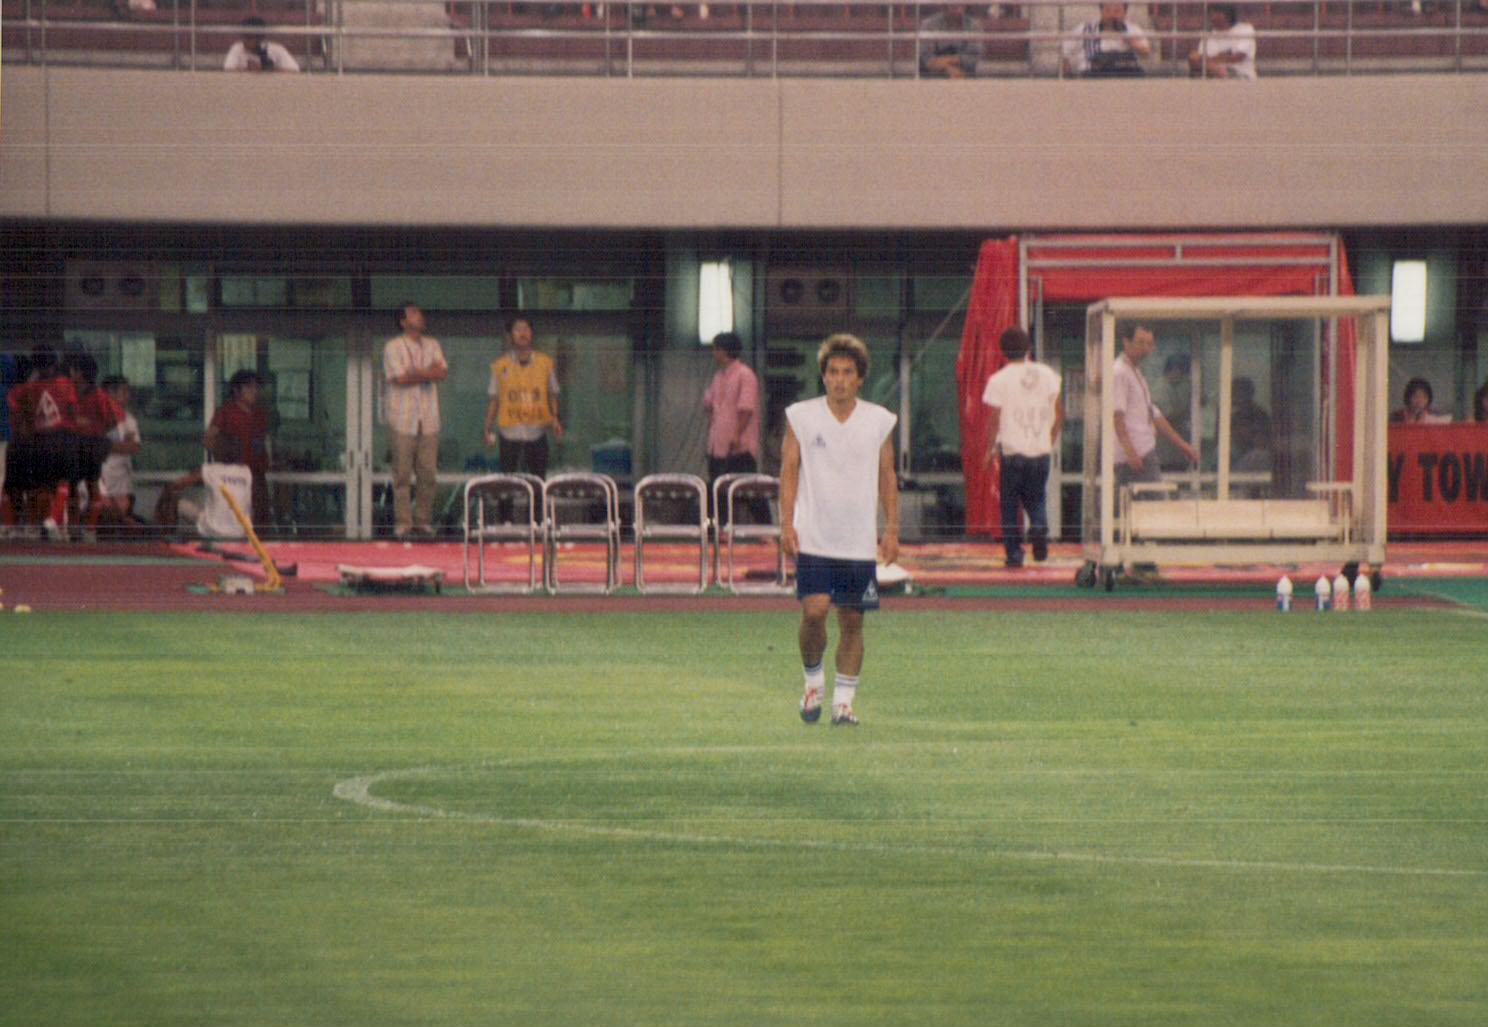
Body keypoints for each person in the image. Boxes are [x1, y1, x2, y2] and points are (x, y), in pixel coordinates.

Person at [779, 334, 898, 728]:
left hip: (857, 541)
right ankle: (813, 682)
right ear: (824, 375)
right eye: (833, 372)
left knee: (852, 621)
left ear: (860, 378)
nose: (839, 379)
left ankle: (843, 704)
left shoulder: (879, 420)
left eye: (847, 373)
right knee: (814, 612)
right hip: (814, 536)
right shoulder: (801, 416)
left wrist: (892, 530)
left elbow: (887, 475)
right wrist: (785, 523)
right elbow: (788, 470)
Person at [981, 327, 1063, 568]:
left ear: (1003, 351)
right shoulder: (1047, 374)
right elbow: (1059, 413)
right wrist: (1049, 439)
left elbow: (994, 419)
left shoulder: (998, 380)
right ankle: (1038, 527)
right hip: (1040, 450)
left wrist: (989, 450)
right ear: (1028, 348)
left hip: (1012, 451)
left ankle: (1014, 553)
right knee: (1037, 498)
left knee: (1009, 504)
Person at [384, 303, 448, 538]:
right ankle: (403, 523)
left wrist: (415, 372)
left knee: (428, 474)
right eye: (413, 313)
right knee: (401, 475)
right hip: (403, 419)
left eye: (419, 313)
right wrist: (427, 372)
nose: (419, 316)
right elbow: (399, 379)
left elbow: (442, 372)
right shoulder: (393, 346)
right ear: (403, 322)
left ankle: (423, 522)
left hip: (429, 419)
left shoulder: (433, 345)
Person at [483, 316, 562, 478]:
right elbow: (494, 399)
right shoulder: (500, 366)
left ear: (532, 333)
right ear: (510, 335)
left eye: (526, 329)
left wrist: (555, 418)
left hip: (537, 431)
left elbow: (552, 394)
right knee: (508, 482)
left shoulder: (545, 363)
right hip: (509, 432)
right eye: (518, 329)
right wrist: (487, 427)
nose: (522, 333)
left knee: (538, 481)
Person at [702, 331, 765, 522]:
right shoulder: (718, 376)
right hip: (717, 444)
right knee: (718, 489)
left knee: (748, 489)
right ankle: (720, 528)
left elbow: (746, 408)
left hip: (739, 446)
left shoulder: (745, 375)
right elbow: (709, 403)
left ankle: (766, 528)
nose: (714, 353)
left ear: (724, 351)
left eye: (716, 349)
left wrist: (736, 434)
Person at [206, 370, 273, 529]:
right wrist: (225, 460)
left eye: (257, 387)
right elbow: (209, 440)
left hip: (257, 475)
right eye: (249, 387)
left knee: (261, 520)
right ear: (237, 390)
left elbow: (264, 442)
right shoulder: (226, 412)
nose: (254, 391)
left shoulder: (260, 415)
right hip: (234, 477)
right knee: (235, 520)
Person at [96, 375, 146, 528]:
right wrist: (120, 444)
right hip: (100, 475)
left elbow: (134, 446)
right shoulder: (95, 417)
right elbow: (95, 445)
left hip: (121, 479)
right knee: (103, 513)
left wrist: (108, 445)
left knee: (120, 517)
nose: (127, 396)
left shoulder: (129, 420)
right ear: (110, 393)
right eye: (123, 391)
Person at [1061, 2, 1151, 77]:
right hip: (1093, 74)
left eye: (1117, 11)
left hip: (1126, 74)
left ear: (1125, 13)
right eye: (1107, 10)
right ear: (1101, 12)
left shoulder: (1133, 30)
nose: (1112, 15)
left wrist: (1131, 41)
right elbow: (1064, 49)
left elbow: (1146, 52)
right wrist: (1066, 66)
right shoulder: (1085, 29)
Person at [1187, 4, 1257, 80]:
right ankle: (1222, 74)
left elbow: (1238, 56)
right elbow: (1199, 59)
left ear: (1226, 15)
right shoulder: (1208, 34)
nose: (1211, 17)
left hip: (1241, 76)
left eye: (1214, 13)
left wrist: (1208, 60)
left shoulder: (1245, 29)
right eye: (1210, 14)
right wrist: (1213, 63)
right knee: (1193, 56)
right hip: (1214, 76)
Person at [919, 4, 985, 78]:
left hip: (963, 69)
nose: (958, 9)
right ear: (945, 5)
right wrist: (947, 68)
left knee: (968, 70)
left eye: (961, 5)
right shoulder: (929, 24)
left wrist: (949, 59)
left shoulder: (974, 25)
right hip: (933, 71)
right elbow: (926, 57)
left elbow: (973, 56)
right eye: (954, 6)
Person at [223, 16, 302, 73]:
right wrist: (248, 70)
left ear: (260, 38)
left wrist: (268, 70)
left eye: (249, 37)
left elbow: (295, 71)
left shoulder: (276, 49)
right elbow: (227, 71)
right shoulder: (237, 48)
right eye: (243, 36)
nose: (245, 40)